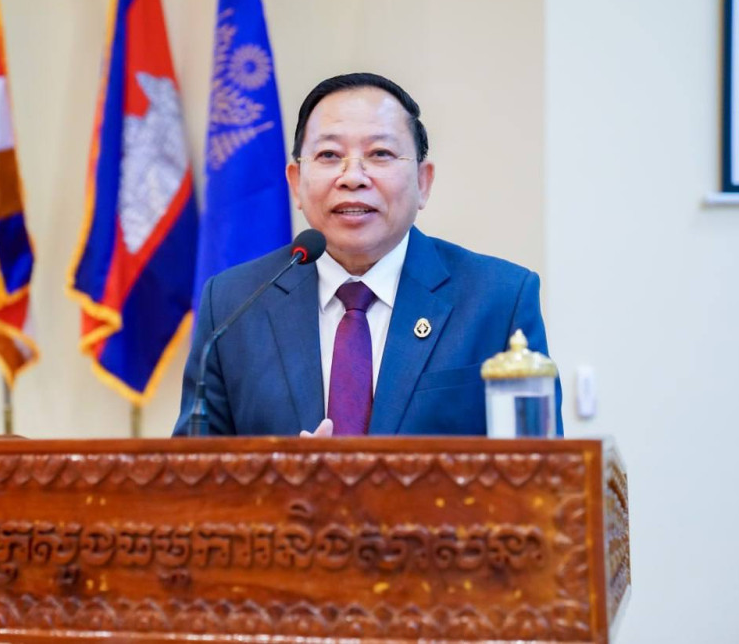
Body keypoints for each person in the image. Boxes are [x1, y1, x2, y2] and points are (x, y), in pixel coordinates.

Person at [173, 72, 561, 437]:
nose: (353, 177)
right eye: (329, 155)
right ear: (295, 183)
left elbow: (540, 473)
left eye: (380, 153)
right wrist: (285, 477)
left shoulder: (497, 300)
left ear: (423, 182)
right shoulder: (233, 304)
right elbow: (193, 475)